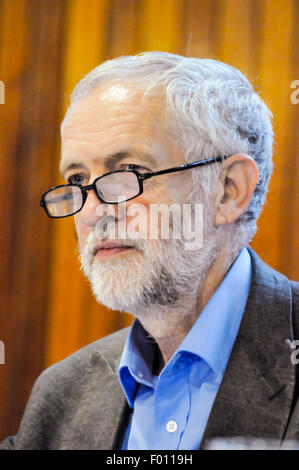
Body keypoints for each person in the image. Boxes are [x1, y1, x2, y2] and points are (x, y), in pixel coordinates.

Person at [1, 51, 298, 450]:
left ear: (229, 190)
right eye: (77, 177)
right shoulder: (62, 394)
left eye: (131, 173)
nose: (93, 212)